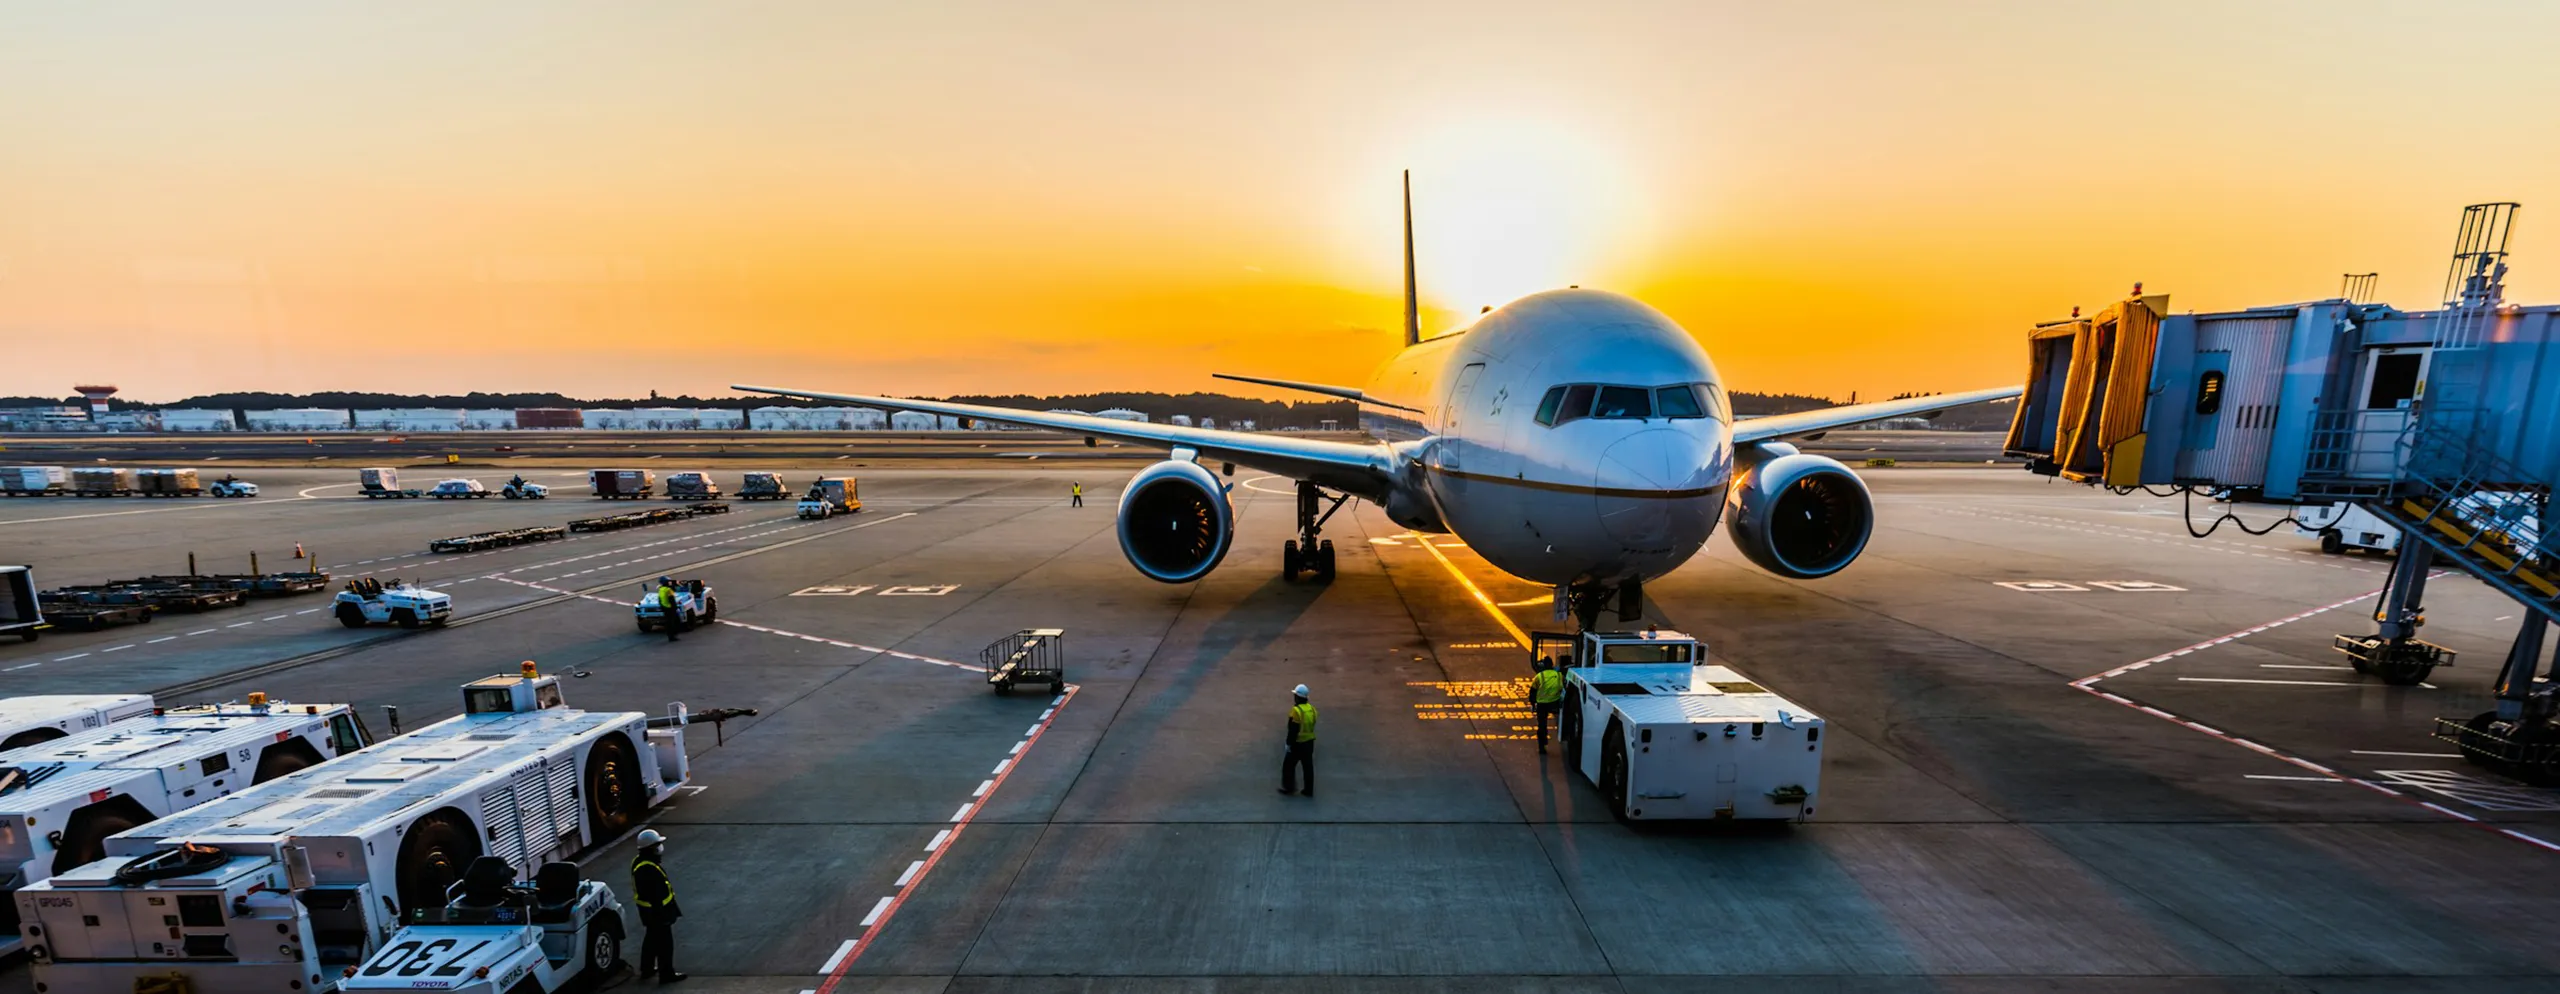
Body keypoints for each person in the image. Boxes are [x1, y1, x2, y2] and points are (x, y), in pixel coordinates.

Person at [630, 829, 685, 983]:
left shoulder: (639, 862)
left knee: (651, 939)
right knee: (665, 944)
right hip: (657, 912)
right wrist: (663, 914)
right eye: (657, 846)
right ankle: (666, 974)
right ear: (651, 849)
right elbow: (654, 894)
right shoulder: (648, 869)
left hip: (648, 912)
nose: (660, 850)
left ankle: (646, 969)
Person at [1279, 684, 1316, 796]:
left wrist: (1288, 743)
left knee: (1288, 766)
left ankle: (1289, 788)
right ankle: (1308, 790)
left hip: (1298, 743)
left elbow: (1293, 729)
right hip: (1310, 742)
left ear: (1298, 697)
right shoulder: (1312, 709)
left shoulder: (1296, 711)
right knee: (1308, 767)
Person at [1530, 656, 1565, 754]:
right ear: (1552, 665)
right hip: (1555, 702)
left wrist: (1533, 703)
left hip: (1542, 704)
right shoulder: (1559, 675)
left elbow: (1532, 691)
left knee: (1542, 725)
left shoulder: (1539, 676)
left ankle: (1542, 745)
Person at [656, 578, 681, 642]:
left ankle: (670, 635)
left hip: (665, 608)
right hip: (670, 608)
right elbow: (672, 600)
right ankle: (673, 635)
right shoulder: (668, 590)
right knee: (675, 621)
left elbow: (660, 600)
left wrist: (662, 607)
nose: (669, 583)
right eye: (668, 582)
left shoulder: (661, 590)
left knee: (668, 622)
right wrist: (675, 608)